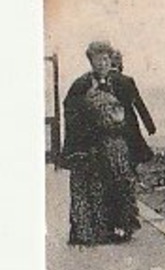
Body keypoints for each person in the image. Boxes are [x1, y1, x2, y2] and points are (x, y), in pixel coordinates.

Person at [63, 41, 157, 245]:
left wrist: (140, 136)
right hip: (93, 144)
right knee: (97, 186)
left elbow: (133, 111)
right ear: (91, 62)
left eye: (106, 59)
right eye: (98, 60)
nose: (102, 63)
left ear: (110, 60)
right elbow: (71, 111)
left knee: (122, 183)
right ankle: (96, 230)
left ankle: (123, 227)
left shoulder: (121, 82)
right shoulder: (81, 85)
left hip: (119, 143)